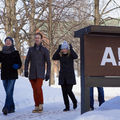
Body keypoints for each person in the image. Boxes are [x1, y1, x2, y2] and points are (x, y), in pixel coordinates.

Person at [24, 32, 51, 113]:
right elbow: (27, 61)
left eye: (38, 38)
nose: (37, 39)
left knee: (38, 88)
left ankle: (40, 105)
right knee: (34, 90)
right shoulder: (31, 49)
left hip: (40, 73)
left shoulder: (45, 50)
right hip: (32, 73)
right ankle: (36, 105)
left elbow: (48, 62)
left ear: (41, 39)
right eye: (36, 38)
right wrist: (25, 70)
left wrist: (48, 73)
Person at [52, 41, 78, 112]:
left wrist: (71, 48)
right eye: (63, 49)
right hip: (62, 76)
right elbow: (53, 57)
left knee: (69, 91)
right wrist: (58, 49)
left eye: (65, 48)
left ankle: (74, 101)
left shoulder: (71, 55)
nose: (64, 50)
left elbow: (76, 56)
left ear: (67, 49)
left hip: (70, 76)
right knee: (64, 92)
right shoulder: (60, 55)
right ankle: (67, 107)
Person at [0, 37, 22, 115]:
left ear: (12, 42)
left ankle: (6, 107)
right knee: (8, 92)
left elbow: (20, 63)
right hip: (4, 75)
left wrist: (17, 66)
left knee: (9, 91)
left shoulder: (15, 52)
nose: (8, 42)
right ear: (5, 42)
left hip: (12, 75)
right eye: (6, 41)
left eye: (9, 41)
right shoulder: (1, 53)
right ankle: (12, 107)